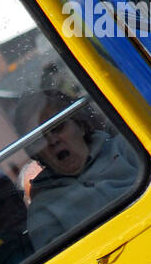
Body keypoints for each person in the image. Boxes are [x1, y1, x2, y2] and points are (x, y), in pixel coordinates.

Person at [14, 90, 141, 250]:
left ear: (80, 125)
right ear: (35, 153)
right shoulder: (42, 210)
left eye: (57, 127)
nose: (52, 140)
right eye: (40, 138)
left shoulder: (127, 150)